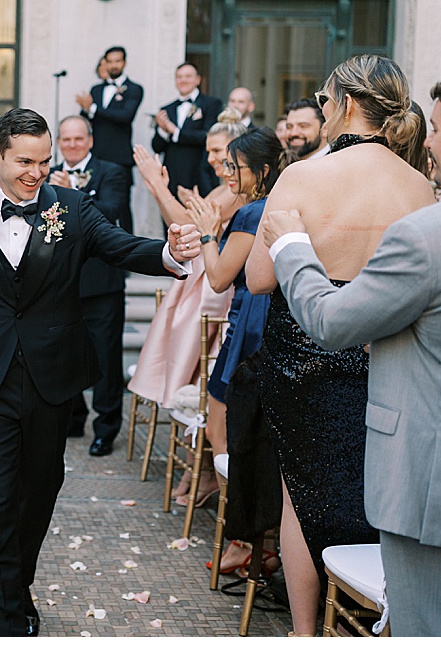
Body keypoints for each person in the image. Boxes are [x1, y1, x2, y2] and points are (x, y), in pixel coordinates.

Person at [0, 107, 199, 636]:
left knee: (39, 490)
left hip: (51, 380)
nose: (35, 172)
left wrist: (168, 253)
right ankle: (7, 623)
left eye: (43, 161)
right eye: (24, 161)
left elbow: (121, 247)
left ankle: (16, 584)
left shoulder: (74, 208)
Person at [264, 66, 441, 637]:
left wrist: (294, 247)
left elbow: (330, 321)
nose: (428, 140)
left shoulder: (432, 234)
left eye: (440, 129)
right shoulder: (424, 198)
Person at [244, 54, 435, 636]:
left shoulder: (303, 176)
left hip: (303, 358)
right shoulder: (419, 185)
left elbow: (257, 277)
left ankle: (306, 631)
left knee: (299, 497)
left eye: (324, 102)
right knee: (373, 487)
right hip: (386, 356)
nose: (322, 113)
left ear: (347, 104)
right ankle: (363, 614)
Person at [129, 109, 247, 516]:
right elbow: (179, 228)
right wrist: (165, 196)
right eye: (211, 151)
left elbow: (192, 230)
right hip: (197, 285)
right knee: (190, 376)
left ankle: (206, 472)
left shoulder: (233, 192)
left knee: (201, 378)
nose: (213, 158)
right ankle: (199, 470)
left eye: (219, 151)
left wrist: (155, 186)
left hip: (214, 293)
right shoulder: (220, 189)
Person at [184, 126, 282, 576]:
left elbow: (220, 278)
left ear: (261, 170)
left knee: (224, 430)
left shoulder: (250, 214)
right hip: (266, 325)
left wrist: (207, 234)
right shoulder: (280, 205)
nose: (228, 173)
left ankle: (244, 538)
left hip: (249, 327)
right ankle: (258, 538)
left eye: (234, 166)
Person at [49, 115, 130, 456]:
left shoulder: (111, 172)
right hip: (60, 281)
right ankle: (72, 417)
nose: (71, 145)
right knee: (65, 354)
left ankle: (106, 428)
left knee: (105, 358)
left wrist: (73, 191)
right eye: (65, 140)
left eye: (77, 139)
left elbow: (112, 209)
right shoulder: (46, 172)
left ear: (90, 141)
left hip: (102, 281)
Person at [74, 45, 144, 233]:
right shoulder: (96, 89)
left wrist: (94, 109)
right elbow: (86, 117)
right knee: (95, 200)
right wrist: (86, 109)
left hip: (120, 157)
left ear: (124, 63)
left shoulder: (134, 89)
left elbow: (125, 116)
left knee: (122, 207)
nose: (113, 65)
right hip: (97, 154)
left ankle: (129, 247)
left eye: (117, 61)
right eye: (110, 61)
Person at [152, 62, 224, 197]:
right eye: (179, 77)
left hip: (199, 175)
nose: (183, 80)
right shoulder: (167, 109)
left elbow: (207, 136)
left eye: (188, 76)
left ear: (197, 80)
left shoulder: (211, 104)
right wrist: (162, 130)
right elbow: (157, 147)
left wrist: (175, 131)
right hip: (172, 176)